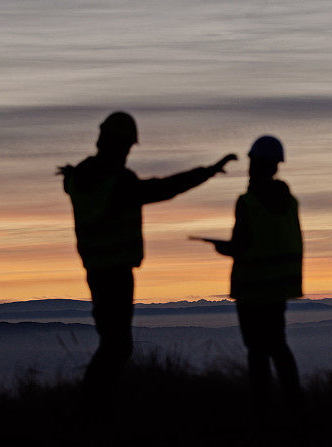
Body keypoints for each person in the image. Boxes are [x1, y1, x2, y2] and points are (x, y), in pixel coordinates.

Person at [59, 111, 236, 399]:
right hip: (114, 271)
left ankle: (95, 408)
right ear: (118, 144)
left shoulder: (81, 177)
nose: (128, 153)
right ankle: (93, 409)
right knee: (117, 346)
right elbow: (163, 188)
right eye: (127, 146)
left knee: (113, 343)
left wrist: (70, 173)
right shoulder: (117, 181)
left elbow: (72, 183)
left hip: (97, 269)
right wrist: (207, 171)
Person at [207, 135, 304, 412]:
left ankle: (263, 411)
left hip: (251, 289)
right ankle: (295, 405)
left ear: (255, 164)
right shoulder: (290, 202)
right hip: (277, 289)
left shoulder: (248, 202)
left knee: (257, 352)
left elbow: (242, 245)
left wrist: (221, 248)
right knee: (279, 347)